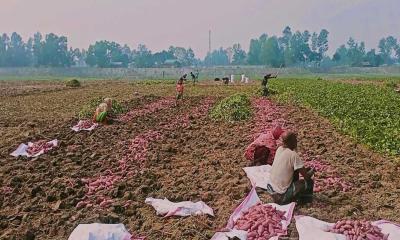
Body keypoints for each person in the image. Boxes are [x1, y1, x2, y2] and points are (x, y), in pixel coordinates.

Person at [267, 132, 314, 204]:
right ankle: (304, 202)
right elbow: (306, 177)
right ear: (292, 142)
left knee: (296, 171)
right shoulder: (293, 155)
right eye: (295, 140)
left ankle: (293, 196)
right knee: (309, 182)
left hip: (270, 189)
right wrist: (312, 171)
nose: (296, 142)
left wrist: (303, 170)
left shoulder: (279, 149)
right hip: (281, 196)